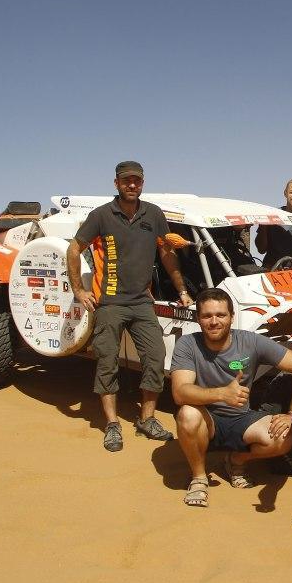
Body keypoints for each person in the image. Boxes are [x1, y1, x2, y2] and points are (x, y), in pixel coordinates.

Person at [67, 160, 193, 452]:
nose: (132, 185)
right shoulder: (101, 215)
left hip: (141, 301)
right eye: (126, 181)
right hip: (109, 303)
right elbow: (74, 249)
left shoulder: (153, 213)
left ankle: (146, 419)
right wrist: (78, 289)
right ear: (116, 184)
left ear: (143, 182)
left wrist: (182, 290)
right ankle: (112, 424)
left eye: (136, 180)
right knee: (106, 360)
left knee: (155, 356)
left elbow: (166, 253)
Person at [170, 289, 292, 507]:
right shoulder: (188, 345)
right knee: (187, 414)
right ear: (198, 319)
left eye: (221, 315)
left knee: (284, 437)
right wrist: (221, 394)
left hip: (241, 419)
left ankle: (236, 460)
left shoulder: (250, 342)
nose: (214, 321)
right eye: (207, 316)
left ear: (232, 316)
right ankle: (198, 477)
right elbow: (180, 392)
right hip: (207, 418)